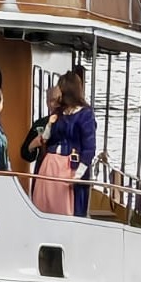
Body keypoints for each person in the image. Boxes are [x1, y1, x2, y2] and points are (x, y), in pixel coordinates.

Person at [31, 70, 96, 217]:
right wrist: (49, 125)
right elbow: (46, 138)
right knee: (44, 204)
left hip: (70, 168)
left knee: (67, 209)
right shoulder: (58, 112)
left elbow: (89, 148)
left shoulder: (85, 115)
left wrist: (78, 175)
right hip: (51, 165)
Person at [21, 78, 62, 176]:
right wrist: (32, 145)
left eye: (59, 100)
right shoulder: (40, 124)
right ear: (47, 103)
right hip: (43, 172)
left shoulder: (72, 123)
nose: (56, 104)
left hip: (63, 172)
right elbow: (25, 154)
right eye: (52, 100)